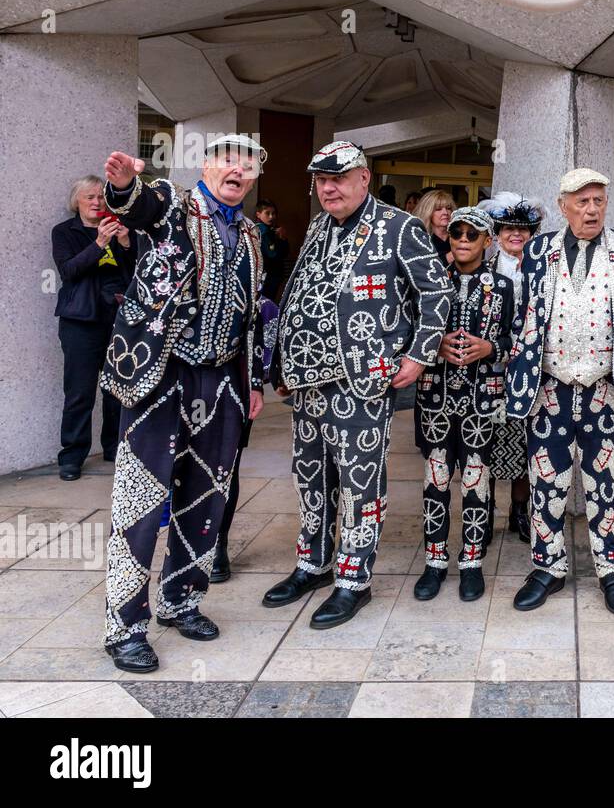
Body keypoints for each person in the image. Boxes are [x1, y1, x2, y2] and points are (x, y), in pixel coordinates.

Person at [264, 141, 452, 628]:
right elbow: (302, 291)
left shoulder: (399, 226)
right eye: (321, 180)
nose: (328, 187)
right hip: (307, 382)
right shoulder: (318, 224)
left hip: (362, 381)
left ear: (363, 178)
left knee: (359, 483)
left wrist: (418, 353)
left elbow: (437, 290)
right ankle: (313, 563)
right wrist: (285, 359)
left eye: (339, 178)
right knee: (310, 478)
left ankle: (353, 579)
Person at [99, 135, 267, 673]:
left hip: (220, 382)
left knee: (205, 500)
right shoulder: (176, 207)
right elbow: (139, 206)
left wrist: (255, 381)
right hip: (160, 378)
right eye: (226, 161)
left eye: (246, 164)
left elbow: (252, 317)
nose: (235, 170)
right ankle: (124, 628)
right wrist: (124, 184)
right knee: (140, 503)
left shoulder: (251, 234)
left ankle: (181, 600)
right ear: (206, 166)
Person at [506, 168, 614, 616]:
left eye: (598, 200)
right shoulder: (538, 250)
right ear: (562, 206)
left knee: (609, 483)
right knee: (546, 481)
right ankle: (547, 566)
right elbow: (523, 313)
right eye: (582, 202)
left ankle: (613, 568)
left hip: (608, 389)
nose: (592, 209)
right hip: (550, 389)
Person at [413, 206, 514, 602]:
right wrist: (432, 344)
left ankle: (471, 561)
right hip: (435, 397)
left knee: (476, 481)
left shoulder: (504, 288)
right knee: (435, 482)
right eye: (457, 233)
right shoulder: (430, 282)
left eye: (473, 235)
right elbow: (408, 328)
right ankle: (434, 562)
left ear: (488, 241)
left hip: (482, 401)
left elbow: (520, 339)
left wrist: (491, 347)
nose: (463, 241)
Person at [52, 175, 134, 481]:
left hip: (118, 318)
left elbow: (138, 271)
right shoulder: (65, 232)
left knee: (116, 389)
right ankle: (72, 455)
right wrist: (100, 243)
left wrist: (126, 242)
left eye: (101, 197)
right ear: (77, 201)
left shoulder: (119, 229)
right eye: (90, 197)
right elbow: (69, 271)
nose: (97, 202)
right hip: (81, 321)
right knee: (79, 391)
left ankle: (113, 447)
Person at [479, 191, 547, 544]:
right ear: (497, 233)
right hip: (490, 370)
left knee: (525, 443)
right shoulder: (484, 271)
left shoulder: (543, 273)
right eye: (508, 229)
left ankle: (520, 511)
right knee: (486, 442)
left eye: (523, 230)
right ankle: (484, 510)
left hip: (530, 370)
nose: (516, 236)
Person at [211, 292, 279, 583]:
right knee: (183, 465)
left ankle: (217, 543)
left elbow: (254, 321)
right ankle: (185, 544)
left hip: (234, 377)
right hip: (182, 373)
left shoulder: (246, 252)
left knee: (227, 463)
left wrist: (255, 384)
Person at [254, 199, 290, 302]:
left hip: (271, 275)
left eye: (273, 213)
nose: (271, 217)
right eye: (267, 213)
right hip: (267, 275)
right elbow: (273, 254)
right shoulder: (263, 231)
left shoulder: (271, 230)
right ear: (258, 214)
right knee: (266, 303)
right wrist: (281, 240)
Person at [416, 189, 456, 262]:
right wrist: (446, 258)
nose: (445, 213)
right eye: (438, 209)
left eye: (448, 208)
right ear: (427, 212)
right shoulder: (420, 239)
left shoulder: (459, 236)